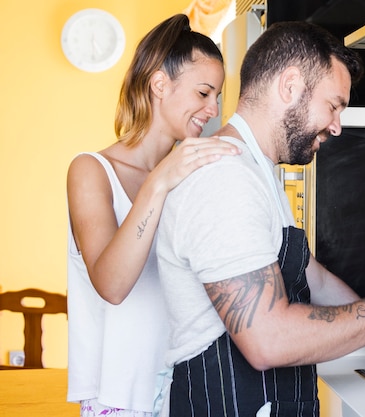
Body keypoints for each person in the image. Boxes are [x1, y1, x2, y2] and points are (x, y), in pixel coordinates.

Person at [156, 21, 365, 417]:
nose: (337, 125)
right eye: (334, 105)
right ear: (290, 86)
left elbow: (312, 279)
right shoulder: (224, 180)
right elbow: (268, 341)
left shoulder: (256, 173)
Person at [66, 14, 241, 417]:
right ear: (160, 84)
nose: (213, 109)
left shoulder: (189, 176)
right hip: (119, 398)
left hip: (188, 390)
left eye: (216, 96)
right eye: (203, 92)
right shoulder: (91, 171)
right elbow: (112, 284)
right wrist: (160, 181)